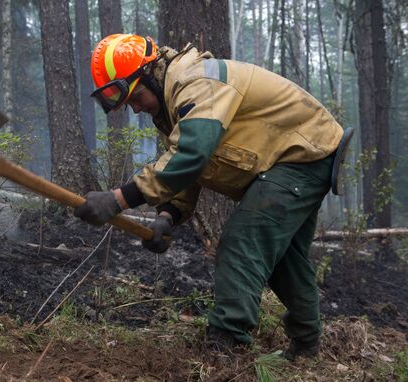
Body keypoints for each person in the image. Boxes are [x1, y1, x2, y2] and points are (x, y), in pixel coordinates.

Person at [75, 33, 349, 360]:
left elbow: (191, 155)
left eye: (136, 98)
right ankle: (307, 347)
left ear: (149, 74)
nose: (135, 109)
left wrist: (118, 199)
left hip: (302, 154)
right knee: (284, 258)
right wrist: (168, 216)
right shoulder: (175, 104)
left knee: (242, 242)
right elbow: (190, 166)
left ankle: (225, 347)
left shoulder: (196, 84)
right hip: (300, 157)